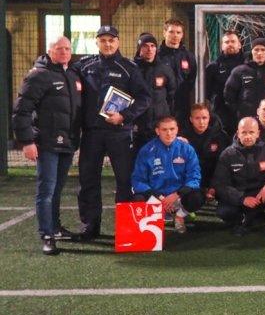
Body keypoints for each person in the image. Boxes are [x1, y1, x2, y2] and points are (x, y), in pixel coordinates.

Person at [72, 25, 152, 240]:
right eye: (103, 40)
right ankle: (90, 226)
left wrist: (124, 116)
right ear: (96, 42)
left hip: (120, 133)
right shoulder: (84, 66)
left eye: (111, 40)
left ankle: (126, 228)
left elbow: (144, 98)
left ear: (118, 42)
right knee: (88, 180)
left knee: (125, 180)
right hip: (92, 133)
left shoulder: (129, 68)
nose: (107, 44)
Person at [12, 36, 82, 255]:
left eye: (67, 48)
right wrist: (27, 141)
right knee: (46, 190)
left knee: (57, 190)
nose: (64, 52)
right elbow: (21, 111)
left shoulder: (72, 74)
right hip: (46, 144)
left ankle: (56, 228)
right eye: (59, 48)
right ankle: (47, 235)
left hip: (67, 143)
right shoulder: (38, 75)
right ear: (50, 51)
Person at [213, 117, 265, 241]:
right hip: (241, 196)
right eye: (244, 132)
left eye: (251, 132)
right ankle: (244, 220)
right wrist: (242, 198)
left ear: (257, 133)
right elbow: (220, 184)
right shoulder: (227, 154)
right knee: (223, 211)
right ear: (238, 133)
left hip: (262, 194)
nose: (248, 136)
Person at [131, 116, 204, 234]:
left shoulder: (187, 149)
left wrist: (177, 194)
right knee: (137, 199)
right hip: (157, 197)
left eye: (172, 129)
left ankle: (179, 215)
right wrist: (158, 196)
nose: (169, 133)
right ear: (157, 131)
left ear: (177, 129)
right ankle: (157, 218)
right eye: (164, 129)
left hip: (178, 197)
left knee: (198, 196)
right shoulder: (146, 150)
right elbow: (138, 180)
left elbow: (194, 177)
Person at [224, 37, 265, 128]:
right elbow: (229, 94)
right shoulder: (240, 71)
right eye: (256, 50)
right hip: (247, 120)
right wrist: (239, 111)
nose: (259, 53)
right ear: (251, 51)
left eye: (263, 50)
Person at [132, 33, 176, 151]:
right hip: (138, 124)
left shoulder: (165, 69)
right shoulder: (131, 69)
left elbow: (171, 94)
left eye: (152, 46)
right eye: (145, 46)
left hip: (159, 123)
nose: (149, 49)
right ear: (139, 48)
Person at [181, 102, 230, 199]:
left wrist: (214, 186)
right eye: (197, 118)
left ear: (209, 118)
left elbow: (223, 164)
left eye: (204, 118)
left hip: (212, 178)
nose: (201, 122)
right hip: (189, 179)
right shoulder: (182, 136)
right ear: (191, 119)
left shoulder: (220, 136)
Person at [157, 18, 197, 126]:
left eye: (178, 32)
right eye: (171, 32)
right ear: (164, 33)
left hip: (182, 107)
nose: (175, 35)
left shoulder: (189, 57)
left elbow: (191, 80)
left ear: (182, 34)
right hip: (161, 105)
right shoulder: (156, 56)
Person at [205, 29, 244, 135]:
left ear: (239, 45)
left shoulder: (248, 65)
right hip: (220, 115)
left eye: (233, 41)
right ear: (222, 46)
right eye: (227, 42)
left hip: (243, 114)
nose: (230, 44)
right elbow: (207, 92)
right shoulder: (213, 67)